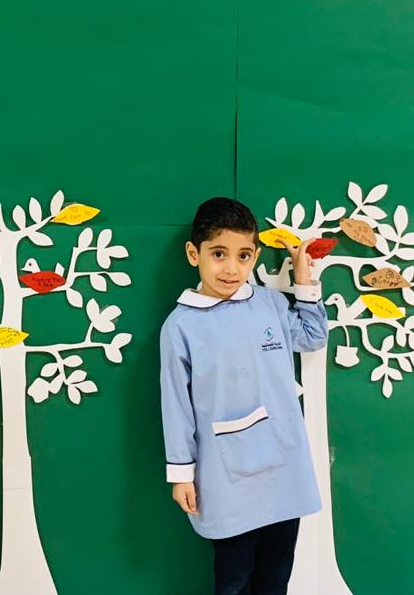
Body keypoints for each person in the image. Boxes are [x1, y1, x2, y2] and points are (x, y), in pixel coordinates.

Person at [160, 197, 328, 594]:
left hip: (283, 464)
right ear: (194, 254)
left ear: (254, 257)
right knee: (234, 577)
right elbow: (175, 404)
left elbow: (312, 336)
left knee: (276, 573)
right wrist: (181, 473)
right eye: (218, 254)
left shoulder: (269, 304)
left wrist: (304, 281)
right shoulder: (181, 326)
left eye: (243, 255)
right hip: (224, 473)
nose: (231, 268)